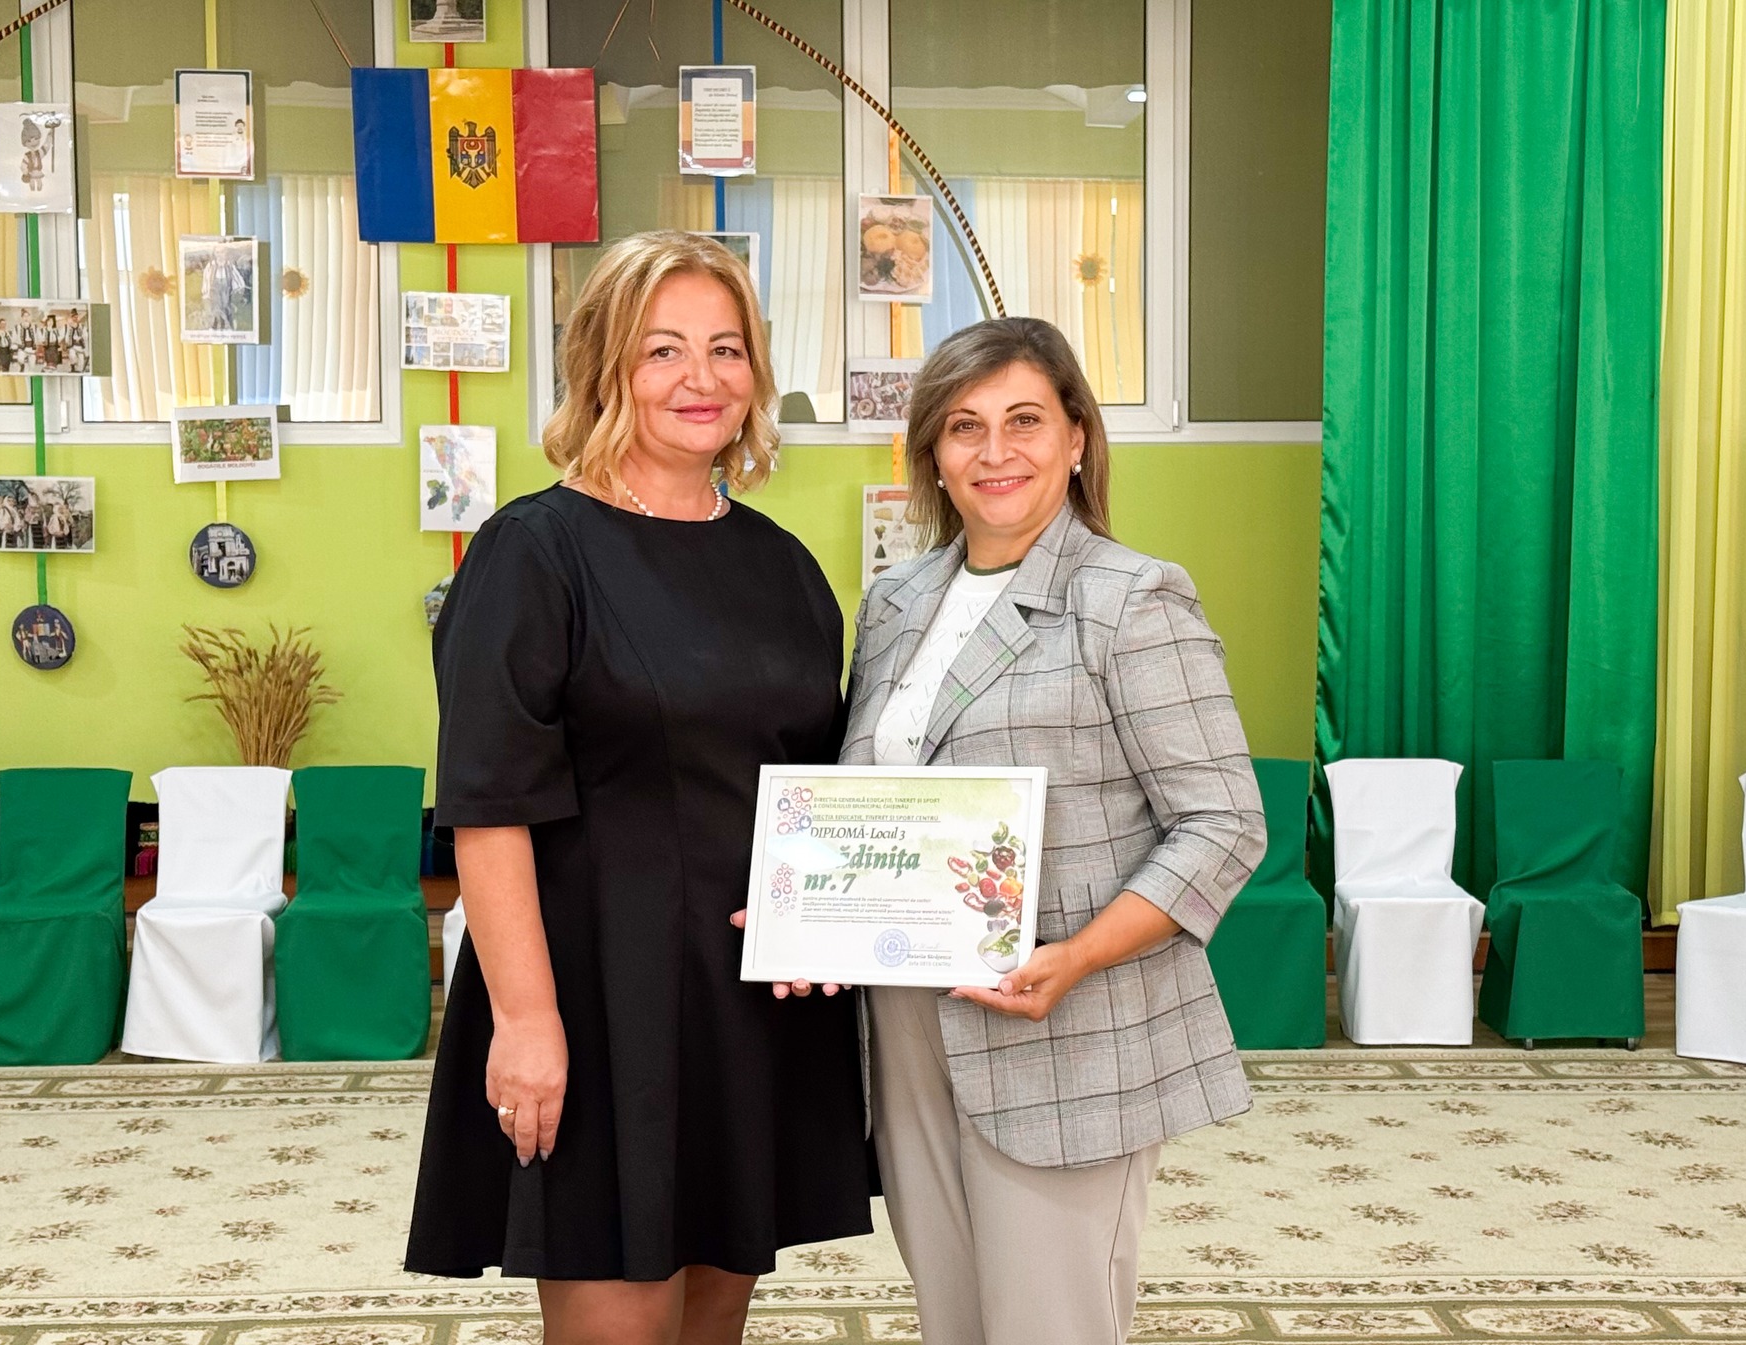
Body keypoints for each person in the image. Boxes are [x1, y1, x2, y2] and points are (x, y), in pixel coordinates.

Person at [405, 231, 873, 1344]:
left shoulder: (781, 563)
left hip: (750, 1002)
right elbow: (487, 809)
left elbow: (817, 786)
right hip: (594, 998)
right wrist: (525, 1021)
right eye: (663, 349)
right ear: (603, 365)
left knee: (714, 1323)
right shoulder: (532, 551)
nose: (699, 378)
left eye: (725, 348)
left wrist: (825, 915)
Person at [836, 317, 1265, 1345]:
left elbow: (1222, 823)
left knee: (1047, 1325)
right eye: (964, 426)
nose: (994, 451)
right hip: (903, 1021)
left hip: (1064, 1024)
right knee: (952, 1319)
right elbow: (866, 804)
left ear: (1075, 436)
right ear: (933, 452)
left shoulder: (1129, 598)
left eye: (1023, 420)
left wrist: (1075, 956)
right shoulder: (894, 602)